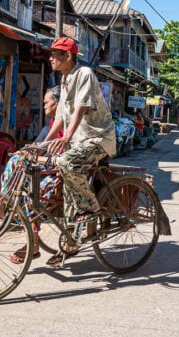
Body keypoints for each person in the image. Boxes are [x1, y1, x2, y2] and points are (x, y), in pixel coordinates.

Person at [45, 37, 116, 264]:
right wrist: (43, 144)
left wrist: (66, 138)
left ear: (68, 56)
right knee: (67, 190)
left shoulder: (84, 73)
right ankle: (70, 243)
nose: (50, 59)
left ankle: (91, 206)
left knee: (65, 162)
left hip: (98, 138)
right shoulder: (65, 79)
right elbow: (59, 118)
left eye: (55, 55)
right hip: (80, 143)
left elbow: (81, 108)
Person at [0, 86, 64, 264]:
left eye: (47, 102)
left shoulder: (68, 124)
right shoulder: (50, 125)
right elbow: (37, 146)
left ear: (58, 103)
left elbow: (62, 156)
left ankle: (33, 244)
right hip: (47, 170)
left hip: (60, 174)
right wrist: (28, 153)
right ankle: (2, 201)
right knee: (16, 161)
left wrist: (37, 157)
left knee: (31, 197)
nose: (44, 106)